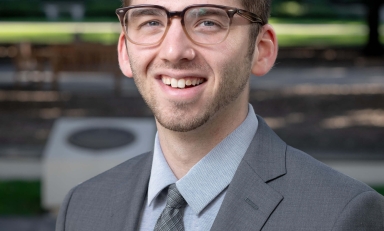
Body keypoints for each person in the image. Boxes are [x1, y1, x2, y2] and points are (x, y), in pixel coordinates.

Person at [56, 0, 384, 230]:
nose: (173, 51)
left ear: (261, 50)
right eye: (152, 21)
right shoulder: (82, 207)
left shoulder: (341, 215)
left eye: (208, 22)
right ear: (125, 52)